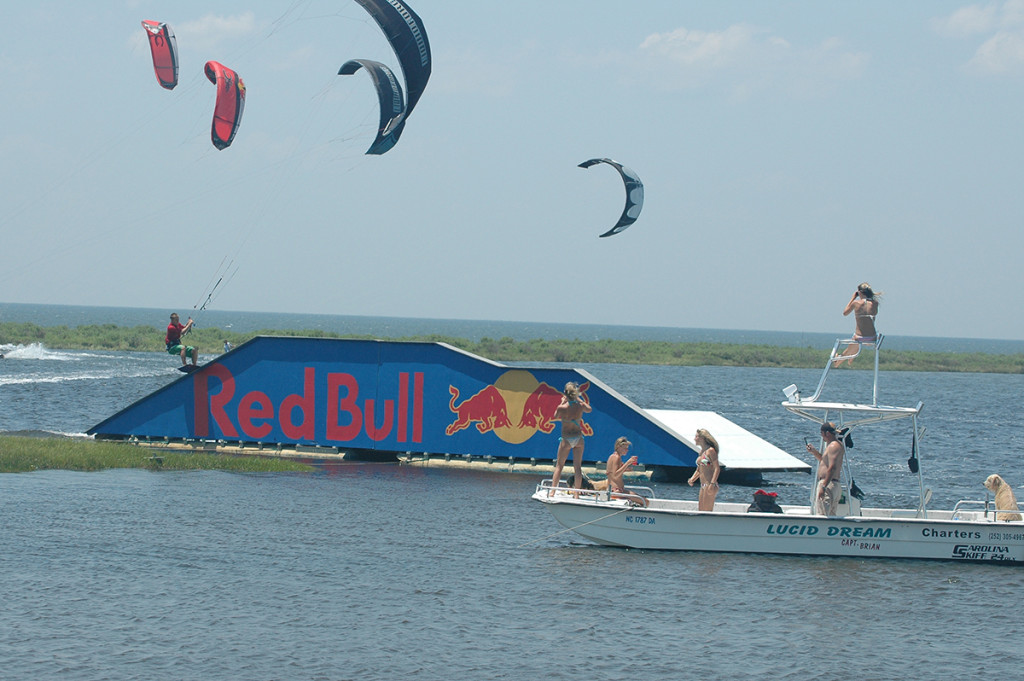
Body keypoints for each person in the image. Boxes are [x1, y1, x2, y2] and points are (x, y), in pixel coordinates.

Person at [549, 381, 592, 493]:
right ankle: (576, 494)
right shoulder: (580, 406)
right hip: (578, 438)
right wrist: (578, 399)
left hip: (566, 439)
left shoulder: (562, 407)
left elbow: (555, 415)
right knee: (577, 468)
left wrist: (563, 402)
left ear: (565, 393)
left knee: (559, 466)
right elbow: (589, 409)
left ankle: (553, 491)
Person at [833, 282, 881, 366]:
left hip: (859, 337)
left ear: (860, 292)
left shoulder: (856, 303)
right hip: (872, 338)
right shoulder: (875, 303)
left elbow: (845, 313)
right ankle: (849, 358)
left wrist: (852, 298)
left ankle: (843, 359)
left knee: (851, 347)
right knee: (854, 345)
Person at [806, 422, 845, 516]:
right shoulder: (834, 445)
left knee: (822, 514)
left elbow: (832, 468)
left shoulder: (833, 446)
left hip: (828, 484)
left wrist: (823, 487)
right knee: (831, 515)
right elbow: (824, 462)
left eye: (821, 433)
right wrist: (814, 452)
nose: (821, 436)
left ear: (827, 433)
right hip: (832, 484)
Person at [687, 428, 720, 511]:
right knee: (701, 510)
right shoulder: (701, 452)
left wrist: (712, 484)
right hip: (703, 485)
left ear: (703, 438)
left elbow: (717, 468)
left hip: (710, 484)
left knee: (707, 511)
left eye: (696, 437)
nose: (695, 439)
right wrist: (692, 479)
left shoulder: (711, 451)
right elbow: (699, 469)